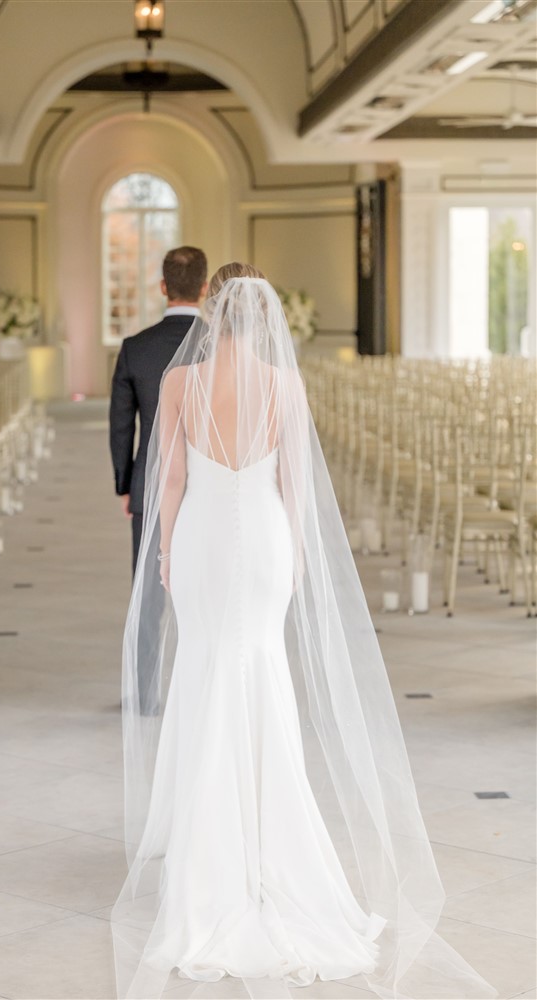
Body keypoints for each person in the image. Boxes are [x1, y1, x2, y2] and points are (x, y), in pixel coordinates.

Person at [111, 263, 497, 1000]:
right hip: (261, 539)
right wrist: (290, 558)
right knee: (259, 671)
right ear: (262, 321)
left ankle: (208, 851)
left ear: (212, 315)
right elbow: (294, 486)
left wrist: (164, 551)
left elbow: (170, 484)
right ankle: (269, 845)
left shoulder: (181, 385)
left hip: (196, 543)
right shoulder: (283, 386)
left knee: (205, 670)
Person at [109, 246, 208, 575]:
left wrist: (126, 485)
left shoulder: (135, 348)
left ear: (163, 286)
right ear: (205, 287)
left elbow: (122, 427)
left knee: (148, 597)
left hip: (150, 483)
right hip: (211, 484)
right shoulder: (221, 346)